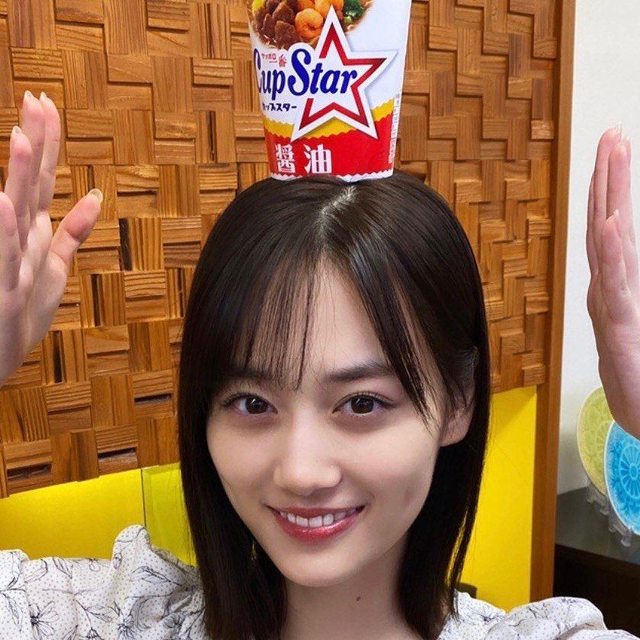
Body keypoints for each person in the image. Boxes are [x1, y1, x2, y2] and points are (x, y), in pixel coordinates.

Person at [0, 91, 637, 640]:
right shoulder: (119, 620)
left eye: (362, 403)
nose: (301, 471)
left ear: (458, 401)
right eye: (253, 403)